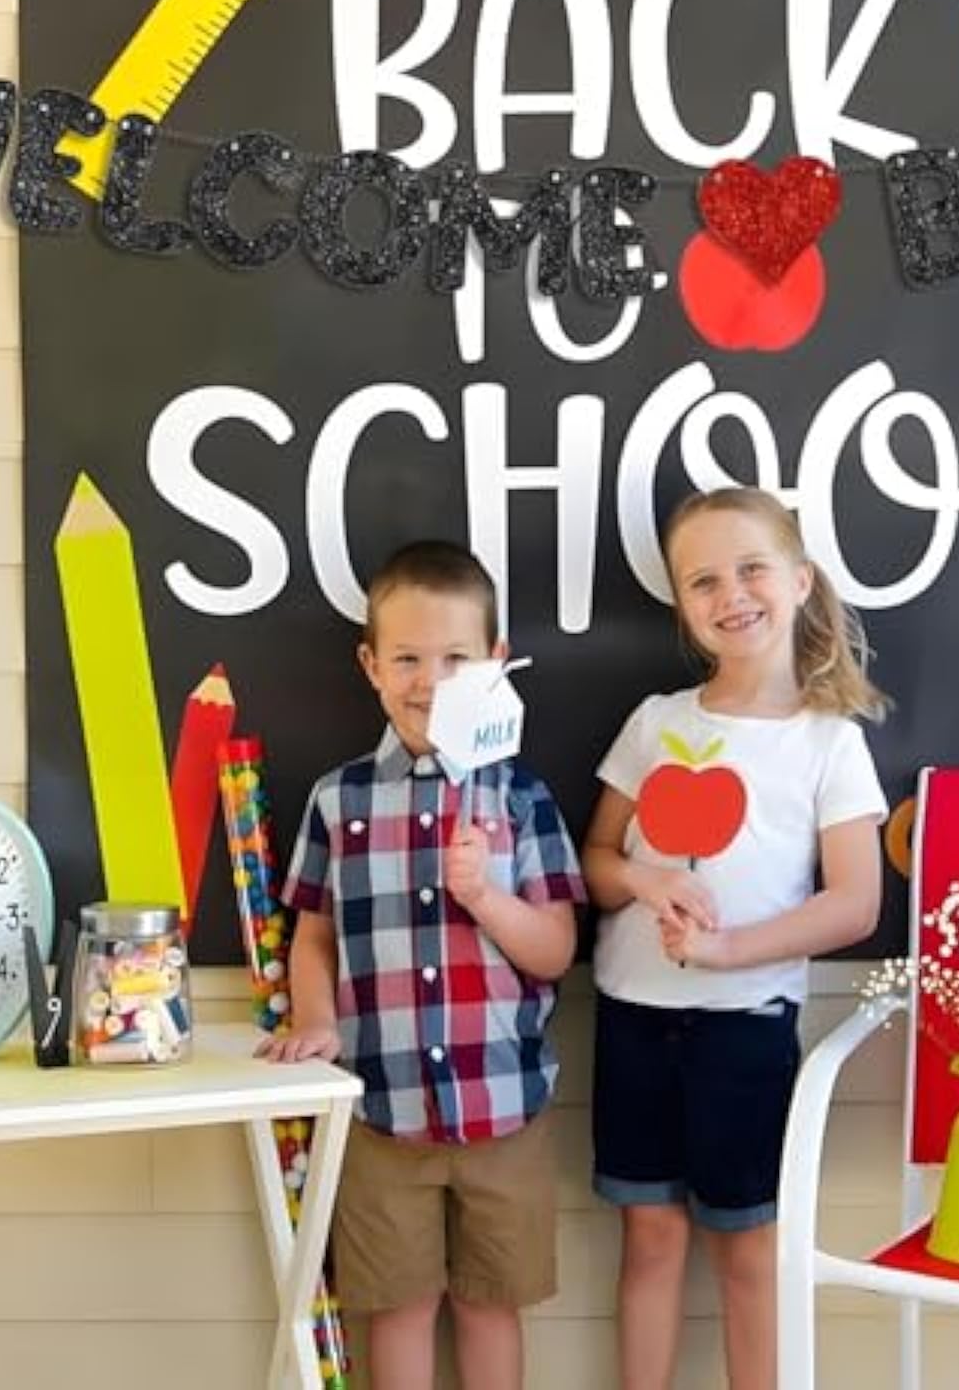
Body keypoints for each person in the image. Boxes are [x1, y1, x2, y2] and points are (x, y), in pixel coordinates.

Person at [259, 540, 585, 1390]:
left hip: (503, 1108)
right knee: (396, 1308)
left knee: (490, 1305)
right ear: (370, 664)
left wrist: (489, 899)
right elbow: (315, 933)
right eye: (406, 658)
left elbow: (555, 949)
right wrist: (318, 1018)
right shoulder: (341, 799)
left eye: (455, 659)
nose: (427, 681)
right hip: (381, 1112)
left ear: (496, 665)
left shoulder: (521, 800)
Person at [582, 487, 888, 1390]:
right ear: (682, 605)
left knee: (748, 1252)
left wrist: (725, 951)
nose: (731, 594)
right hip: (633, 1022)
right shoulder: (656, 722)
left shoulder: (830, 743)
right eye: (702, 581)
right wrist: (648, 880)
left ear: (798, 582)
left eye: (751, 569)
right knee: (650, 1238)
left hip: (745, 1028)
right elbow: (595, 860)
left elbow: (856, 904)